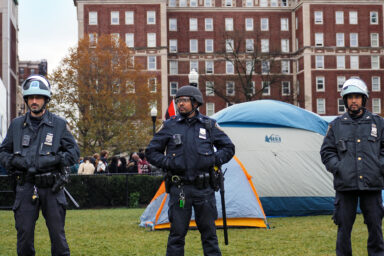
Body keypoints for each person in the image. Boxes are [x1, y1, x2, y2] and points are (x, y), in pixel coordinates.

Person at [146, 85, 235, 256]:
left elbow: (229, 148)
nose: (181, 104)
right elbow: (151, 152)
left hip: (204, 190)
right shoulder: (170, 126)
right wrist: (169, 162)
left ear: (195, 102)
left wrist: (213, 160)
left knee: (209, 235)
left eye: (185, 100)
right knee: (176, 235)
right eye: (178, 101)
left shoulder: (209, 125)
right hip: (180, 190)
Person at [0, 75, 80, 256]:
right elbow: (3, 151)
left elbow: (74, 153)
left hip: (52, 187)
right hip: (26, 186)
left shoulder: (59, 124)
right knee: (24, 236)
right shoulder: (17, 125)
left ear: (46, 99)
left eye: (38, 97)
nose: (34, 101)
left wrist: (54, 160)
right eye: (30, 98)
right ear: (27, 100)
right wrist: (15, 161)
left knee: (58, 238)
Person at [320, 78, 384, 256]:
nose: (353, 100)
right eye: (350, 97)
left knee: (375, 227)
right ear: (345, 100)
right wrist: (338, 167)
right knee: (343, 228)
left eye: (357, 96)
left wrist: (380, 166)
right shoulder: (336, 125)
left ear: (364, 99)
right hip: (345, 186)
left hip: (372, 185)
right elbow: (327, 151)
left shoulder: (378, 124)